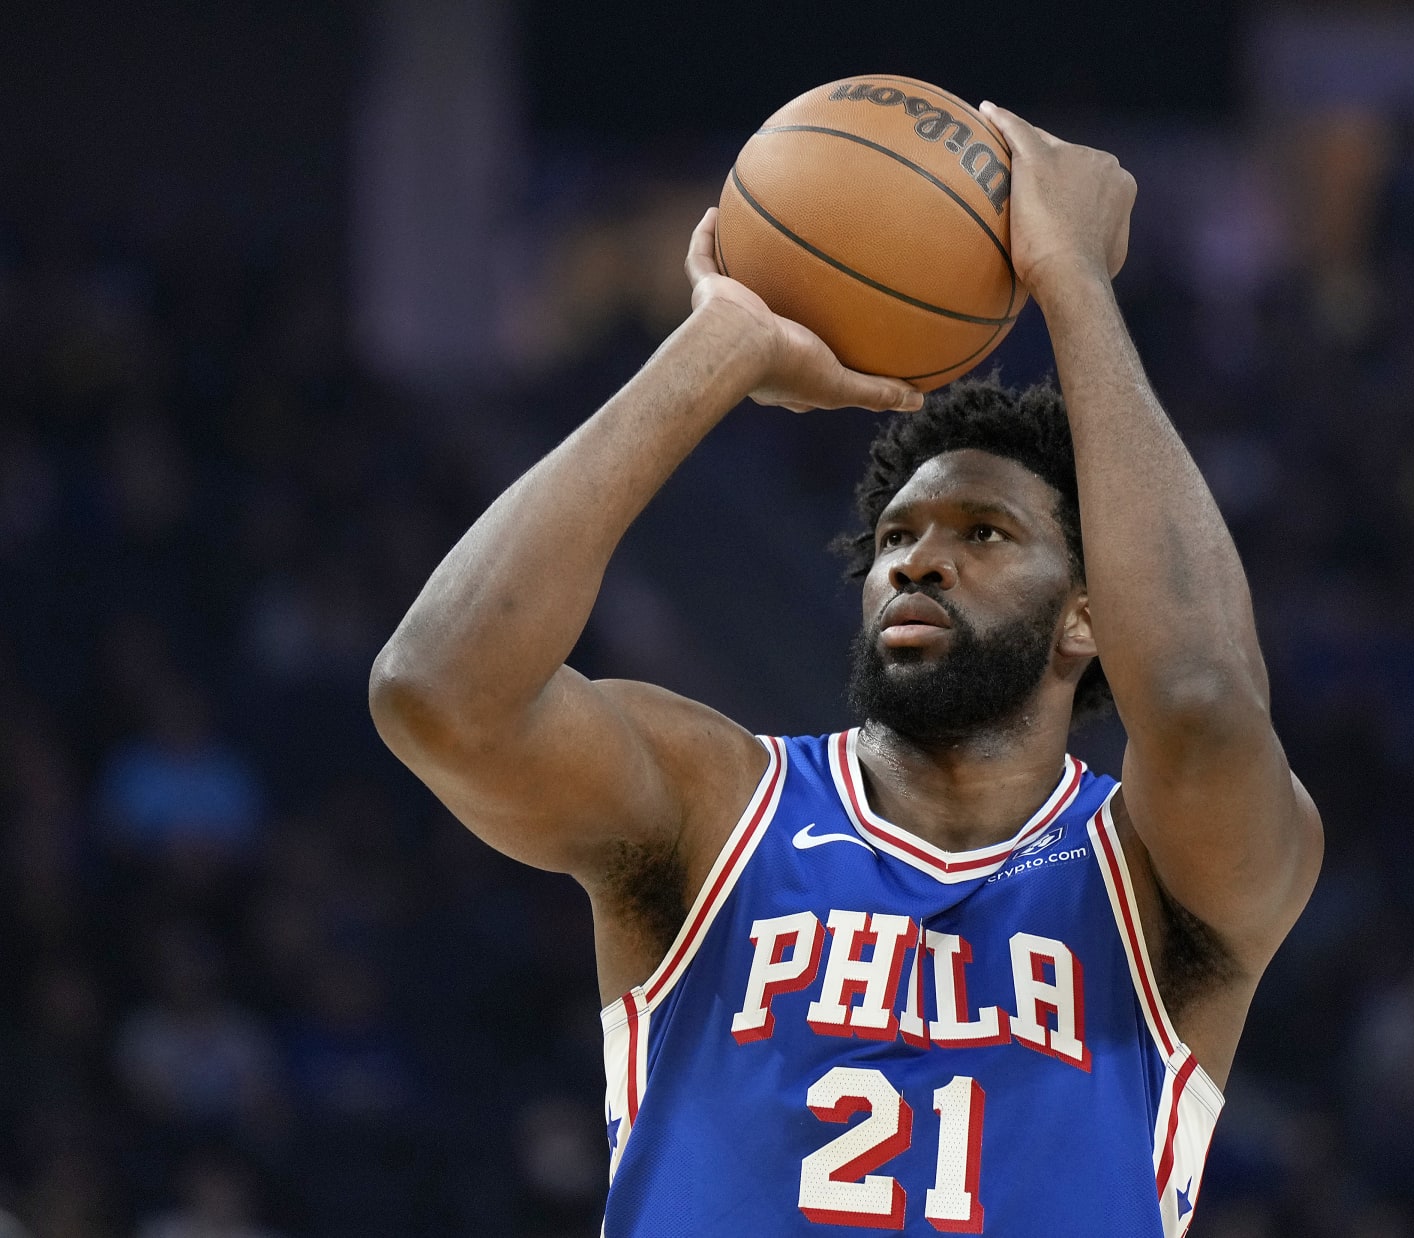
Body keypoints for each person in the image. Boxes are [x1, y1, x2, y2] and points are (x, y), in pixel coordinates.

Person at [370, 101, 1322, 1237]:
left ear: (1086, 616)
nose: (919, 558)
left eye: (984, 534)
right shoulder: (716, 806)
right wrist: (720, 340)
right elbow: (439, 689)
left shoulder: (1158, 877)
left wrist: (1072, 280)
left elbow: (1204, 702)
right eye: (896, 540)